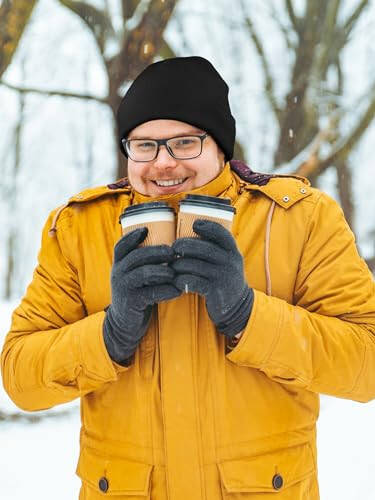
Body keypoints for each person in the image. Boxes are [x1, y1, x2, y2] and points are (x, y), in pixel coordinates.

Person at [1, 56, 375, 500]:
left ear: (219, 146)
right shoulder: (79, 228)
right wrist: (111, 333)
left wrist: (247, 314)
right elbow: (21, 378)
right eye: (144, 145)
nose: (163, 164)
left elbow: (366, 362)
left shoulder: (299, 219)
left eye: (183, 143)